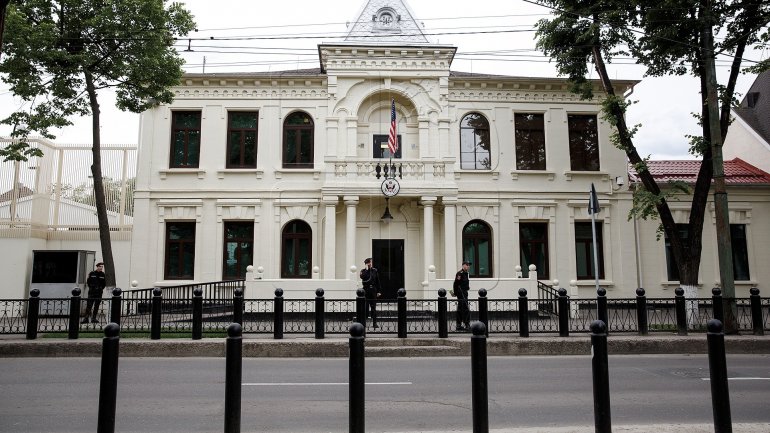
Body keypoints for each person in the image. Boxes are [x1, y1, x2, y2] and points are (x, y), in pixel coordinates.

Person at [359, 257, 381, 328]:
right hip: (366, 290)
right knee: (365, 307)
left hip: (373, 290)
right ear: (366, 263)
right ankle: (363, 323)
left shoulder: (374, 271)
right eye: (369, 262)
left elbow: (378, 281)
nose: (370, 264)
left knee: (373, 307)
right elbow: (362, 277)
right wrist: (366, 270)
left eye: (371, 262)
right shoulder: (363, 271)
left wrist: (379, 291)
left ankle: (374, 323)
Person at [453, 260, 471, 331]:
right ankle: (466, 324)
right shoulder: (460, 273)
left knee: (461, 308)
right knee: (465, 308)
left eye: (469, 265)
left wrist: (467, 287)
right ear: (463, 265)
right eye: (467, 265)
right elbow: (456, 284)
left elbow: (464, 283)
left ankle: (459, 325)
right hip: (461, 293)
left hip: (465, 292)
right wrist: (455, 293)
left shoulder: (466, 273)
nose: (468, 266)